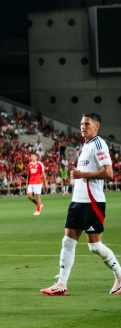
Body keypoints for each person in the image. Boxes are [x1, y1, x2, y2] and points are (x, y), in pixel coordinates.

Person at [42, 114, 121, 296]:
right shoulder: (85, 146)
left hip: (92, 203)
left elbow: (108, 173)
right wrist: (71, 180)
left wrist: (81, 175)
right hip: (77, 202)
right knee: (67, 242)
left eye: (87, 124)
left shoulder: (99, 144)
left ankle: (120, 275)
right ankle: (61, 284)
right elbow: (84, 175)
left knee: (94, 246)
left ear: (96, 126)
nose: (83, 127)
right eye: (81, 124)